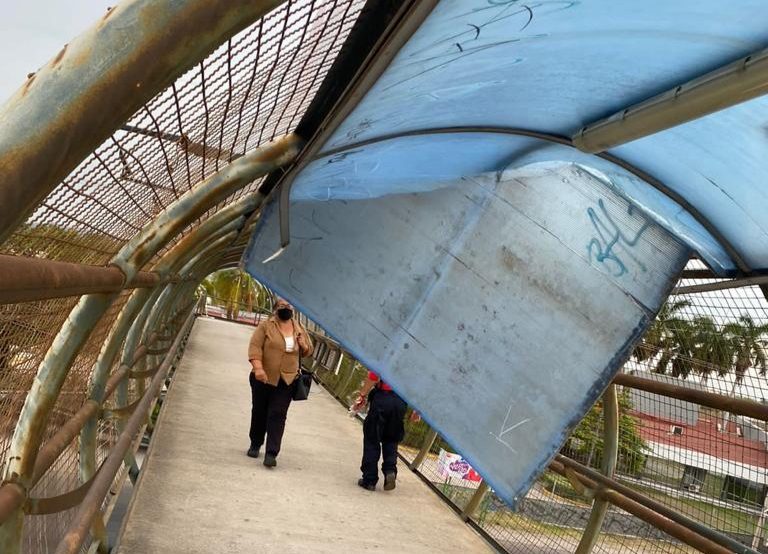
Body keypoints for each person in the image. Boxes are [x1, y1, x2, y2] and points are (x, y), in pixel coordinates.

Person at [247, 299, 313, 468]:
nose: (287, 309)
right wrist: (258, 368)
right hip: (264, 377)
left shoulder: (299, 327)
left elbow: (308, 350)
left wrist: (303, 345)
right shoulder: (266, 326)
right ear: (275, 309)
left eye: (290, 306)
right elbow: (255, 348)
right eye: (283, 306)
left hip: (287, 379)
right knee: (260, 411)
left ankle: (271, 452)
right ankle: (256, 442)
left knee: (278, 414)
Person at [351, 371, 407, 491]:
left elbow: (374, 375)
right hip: (400, 402)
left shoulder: (389, 354)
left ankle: (369, 480)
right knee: (391, 439)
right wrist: (417, 411)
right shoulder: (414, 362)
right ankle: (390, 471)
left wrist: (362, 395)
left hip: (383, 398)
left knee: (372, 438)